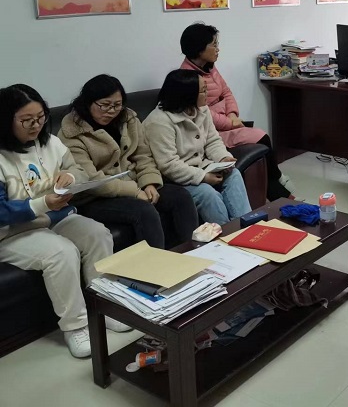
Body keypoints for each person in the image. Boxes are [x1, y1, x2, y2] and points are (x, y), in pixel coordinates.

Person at [0, 84, 130, 359]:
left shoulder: (50, 142)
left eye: (40, 117)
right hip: (11, 232)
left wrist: (70, 177)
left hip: (53, 218)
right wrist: (43, 203)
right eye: (26, 120)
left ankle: (106, 306)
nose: (36, 125)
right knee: (61, 252)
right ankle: (76, 326)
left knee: (98, 234)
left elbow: (76, 169)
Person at [58, 75, 198, 249]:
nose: (111, 111)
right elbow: (91, 180)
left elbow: (143, 155)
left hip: (134, 184)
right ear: (87, 102)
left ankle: (194, 253)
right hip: (95, 197)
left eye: (117, 105)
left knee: (180, 197)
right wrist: (135, 191)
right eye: (104, 105)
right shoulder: (71, 133)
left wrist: (149, 183)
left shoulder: (128, 119)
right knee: (144, 211)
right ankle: (157, 264)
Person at [179, 22, 295, 200]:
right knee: (262, 138)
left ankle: (277, 186)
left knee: (262, 139)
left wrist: (232, 114)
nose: (218, 49)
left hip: (227, 122)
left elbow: (226, 92)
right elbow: (202, 111)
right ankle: (278, 186)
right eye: (214, 45)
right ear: (199, 48)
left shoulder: (210, 66)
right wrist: (229, 123)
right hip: (211, 132)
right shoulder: (187, 77)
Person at [144, 70, 251, 225]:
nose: (208, 94)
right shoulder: (159, 122)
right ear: (187, 95)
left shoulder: (202, 109)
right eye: (203, 91)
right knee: (207, 194)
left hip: (202, 167)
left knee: (234, 175)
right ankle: (226, 234)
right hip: (174, 179)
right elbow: (168, 165)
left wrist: (223, 158)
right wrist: (202, 177)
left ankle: (249, 226)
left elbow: (212, 140)